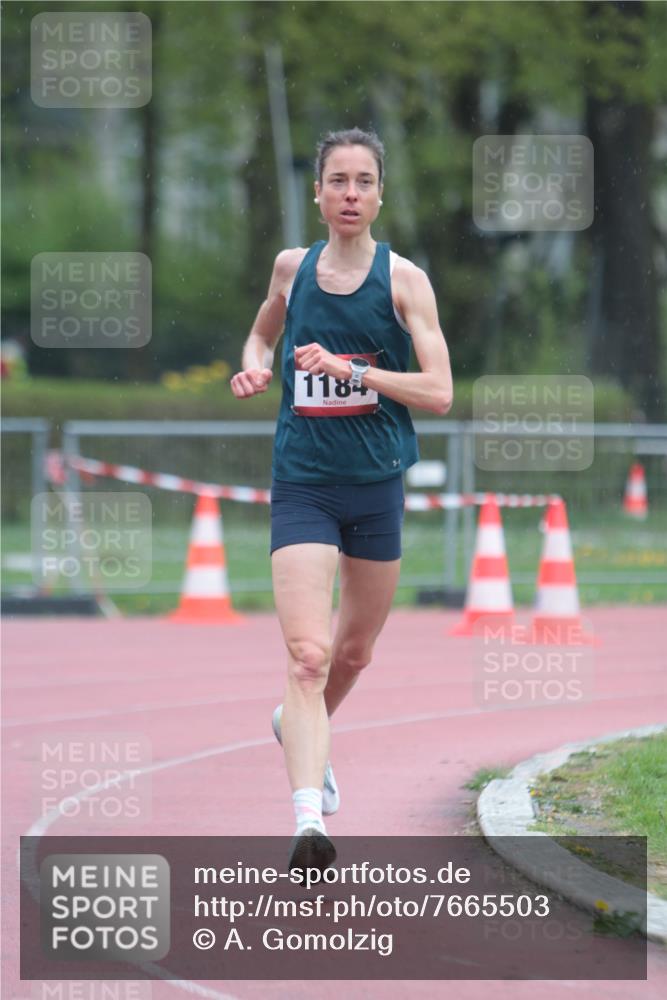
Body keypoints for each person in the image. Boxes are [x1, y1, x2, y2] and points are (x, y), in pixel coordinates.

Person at [230, 127, 453, 876]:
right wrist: (254, 367)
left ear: (380, 194)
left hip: (376, 484)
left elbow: (440, 392)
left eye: (363, 181)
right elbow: (261, 333)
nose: (349, 194)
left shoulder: (404, 281)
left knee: (353, 652)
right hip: (303, 482)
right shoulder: (291, 269)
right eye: (337, 181)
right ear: (318, 193)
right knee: (307, 655)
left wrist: (355, 374)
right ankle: (305, 817)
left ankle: (298, 731)